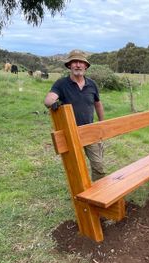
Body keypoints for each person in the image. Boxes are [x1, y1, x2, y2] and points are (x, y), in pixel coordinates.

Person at [44, 49, 105, 181]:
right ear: (69, 66)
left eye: (81, 62)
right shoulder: (61, 84)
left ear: (86, 66)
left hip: (89, 130)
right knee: (76, 167)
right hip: (70, 133)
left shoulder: (92, 84)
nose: (78, 65)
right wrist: (53, 103)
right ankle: (81, 195)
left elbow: (98, 104)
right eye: (74, 62)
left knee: (98, 165)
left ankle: (100, 194)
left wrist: (101, 123)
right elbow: (48, 99)